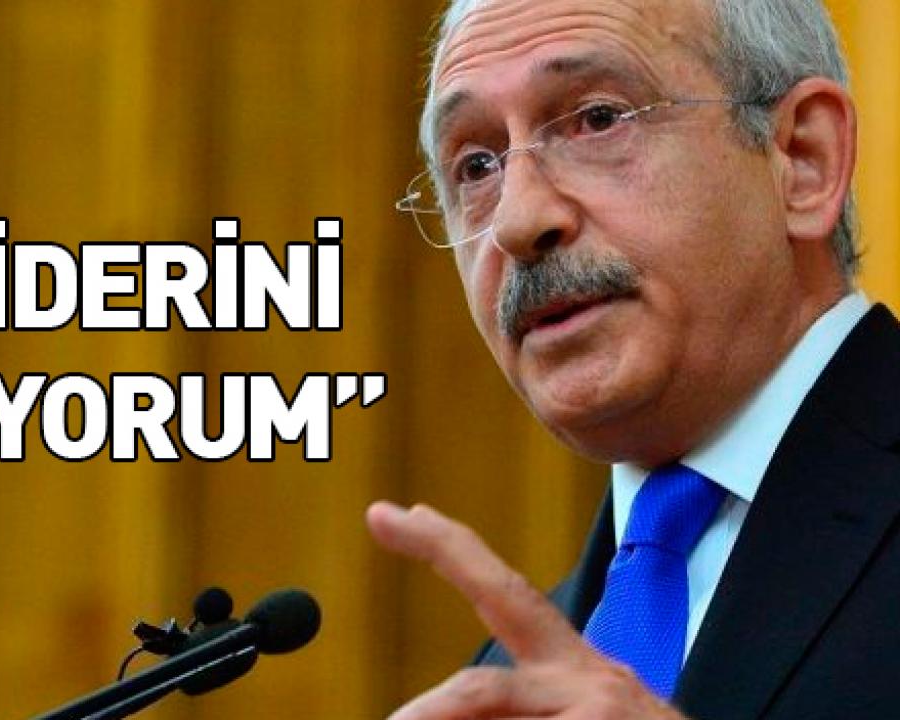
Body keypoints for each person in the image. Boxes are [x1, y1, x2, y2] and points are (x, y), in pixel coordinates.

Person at [368, 0, 900, 717]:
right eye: (477, 166)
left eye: (597, 119)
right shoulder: (514, 677)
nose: (519, 220)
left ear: (803, 159)